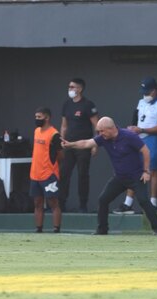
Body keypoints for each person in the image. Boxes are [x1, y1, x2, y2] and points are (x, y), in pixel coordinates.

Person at [62, 116, 157, 235]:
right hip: (120, 178)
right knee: (103, 200)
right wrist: (70, 145)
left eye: (102, 131)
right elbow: (86, 143)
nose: (100, 134)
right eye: (98, 131)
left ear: (111, 128)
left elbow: (146, 151)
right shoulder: (104, 138)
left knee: (143, 201)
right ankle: (102, 229)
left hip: (136, 177)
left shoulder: (129, 136)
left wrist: (146, 171)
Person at [113, 77, 157, 214]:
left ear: (154, 91)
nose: (145, 95)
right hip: (138, 138)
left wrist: (142, 130)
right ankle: (128, 203)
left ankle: (153, 203)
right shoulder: (141, 102)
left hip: (152, 138)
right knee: (133, 169)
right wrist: (132, 128)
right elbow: (136, 118)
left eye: (147, 92)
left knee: (152, 169)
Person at [59, 78, 99, 213]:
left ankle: (83, 205)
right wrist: (61, 142)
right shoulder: (66, 104)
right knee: (64, 174)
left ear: (80, 89)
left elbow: (97, 125)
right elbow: (64, 126)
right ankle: (61, 204)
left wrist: (95, 145)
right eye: (69, 87)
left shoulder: (88, 104)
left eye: (72, 87)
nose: (70, 89)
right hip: (68, 145)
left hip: (84, 145)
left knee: (83, 174)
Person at [29, 107, 62, 233]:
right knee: (37, 202)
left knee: (53, 202)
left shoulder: (54, 134)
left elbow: (60, 155)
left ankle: (56, 228)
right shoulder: (36, 131)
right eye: (36, 117)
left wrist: (52, 166)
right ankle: (38, 228)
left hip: (49, 174)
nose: (37, 119)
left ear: (47, 118)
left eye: (39, 117)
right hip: (35, 174)